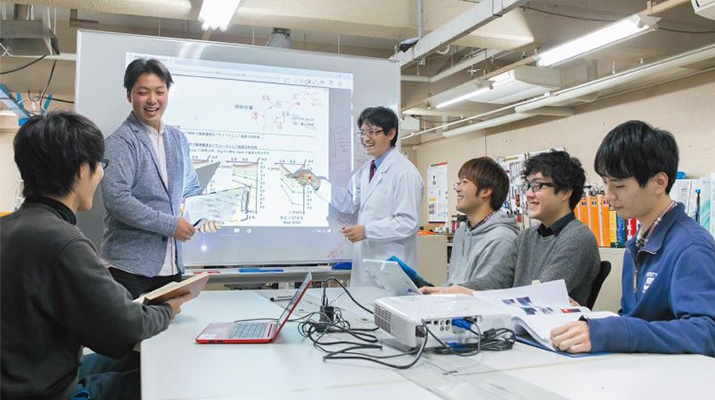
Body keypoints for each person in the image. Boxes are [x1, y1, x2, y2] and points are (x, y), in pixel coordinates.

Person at [1, 112, 190, 400]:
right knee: (165, 379)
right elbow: (125, 329)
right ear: (81, 171)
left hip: (25, 372)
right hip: (49, 391)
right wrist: (168, 309)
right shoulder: (63, 242)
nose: (101, 173)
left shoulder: (10, 226)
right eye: (100, 165)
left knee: (135, 361)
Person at [551, 121, 715, 356]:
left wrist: (617, 331)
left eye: (619, 185)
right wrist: (588, 318)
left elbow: (706, 333)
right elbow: (635, 318)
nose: (609, 196)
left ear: (659, 183)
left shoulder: (690, 246)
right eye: (605, 183)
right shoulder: (637, 244)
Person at [422, 150, 600, 306]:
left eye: (538, 186)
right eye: (528, 186)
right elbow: (498, 279)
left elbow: (542, 297)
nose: (529, 194)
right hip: (517, 326)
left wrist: (471, 294)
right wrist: (451, 291)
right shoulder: (528, 236)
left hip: (548, 336)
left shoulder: (577, 238)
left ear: (565, 192)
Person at [102, 58, 216, 298]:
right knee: (132, 334)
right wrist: (170, 225)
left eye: (159, 92)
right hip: (128, 268)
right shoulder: (119, 142)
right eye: (143, 92)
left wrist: (208, 211)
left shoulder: (178, 139)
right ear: (129, 95)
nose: (152, 100)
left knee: (171, 332)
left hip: (171, 267)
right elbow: (117, 200)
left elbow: (191, 188)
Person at [292, 106, 423, 286]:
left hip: (392, 266)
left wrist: (367, 230)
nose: (365, 138)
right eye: (362, 133)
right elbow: (349, 201)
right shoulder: (367, 169)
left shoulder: (404, 172)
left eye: (372, 132)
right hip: (368, 264)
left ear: (391, 133)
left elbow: (408, 222)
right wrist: (316, 183)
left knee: (384, 311)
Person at [446, 157, 519, 285]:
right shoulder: (462, 232)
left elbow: (482, 293)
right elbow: (451, 281)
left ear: (485, 191)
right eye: (459, 183)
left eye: (464, 182)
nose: (457, 188)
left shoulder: (501, 239)